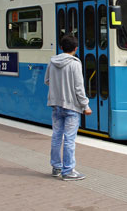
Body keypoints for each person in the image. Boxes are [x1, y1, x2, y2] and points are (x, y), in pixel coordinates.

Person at [44, 34, 92, 181]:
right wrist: (86, 106)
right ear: (76, 49)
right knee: (69, 139)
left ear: (61, 47)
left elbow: (47, 81)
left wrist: (59, 87)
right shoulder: (75, 64)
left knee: (56, 136)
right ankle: (68, 171)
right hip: (71, 107)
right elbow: (79, 88)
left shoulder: (52, 62)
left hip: (56, 105)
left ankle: (56, 167)